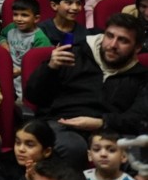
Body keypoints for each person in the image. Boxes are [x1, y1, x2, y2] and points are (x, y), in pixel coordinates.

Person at [25, 12, 148, 160]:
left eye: (123, 40)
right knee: (72, 146)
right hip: (63, 124)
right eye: (109, 36)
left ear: (137, 48)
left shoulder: (141, 77)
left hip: (111, 130)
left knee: (136, 151)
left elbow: (139, 118)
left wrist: (102, 123)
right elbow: (33, 96)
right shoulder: (73, 55)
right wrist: (49, 68)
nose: (113, 45)